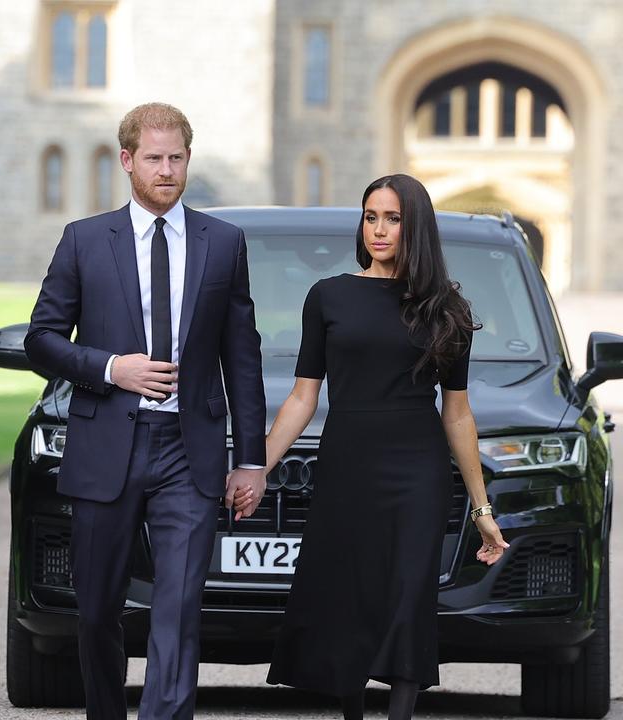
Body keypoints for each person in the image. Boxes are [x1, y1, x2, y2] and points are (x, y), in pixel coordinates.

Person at [25, 102, 268, 720]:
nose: (167, 170)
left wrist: (251, 461)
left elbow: (243, 357)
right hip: (107, 443)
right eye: (154, 158)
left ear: (189, 159)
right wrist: (112, 369)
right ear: (127, 160)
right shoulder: (84, 239)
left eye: (177, 158)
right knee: (98, 606)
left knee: (180, 603)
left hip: (190, 451)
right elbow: (42, 338)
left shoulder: (223, 243)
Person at [257, 173, 509, 720]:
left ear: (414, 226)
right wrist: (257, 465)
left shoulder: (447, 310)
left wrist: (482, 509)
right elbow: (303, 398)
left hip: (417, 471)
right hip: (347, 461)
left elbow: (458, 413)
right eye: (371, 217)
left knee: (408, 593)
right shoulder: (328, 297)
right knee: (349, 592)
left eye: (392, 218)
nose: (378, 229)